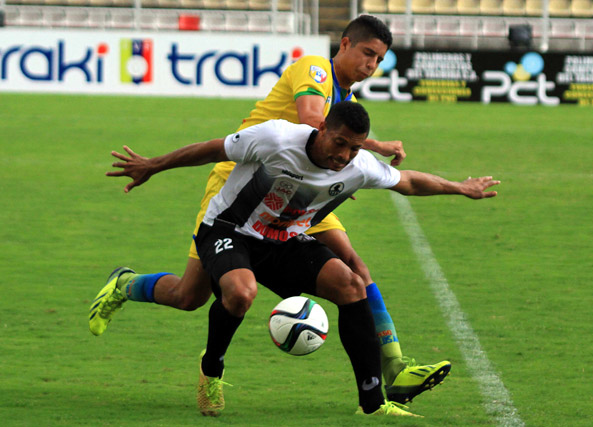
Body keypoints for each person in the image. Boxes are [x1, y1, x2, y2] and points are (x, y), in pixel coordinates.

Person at [90, 15, 448, 405]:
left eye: (378, 60)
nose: (370, 65)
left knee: (353, 270)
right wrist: (366, 149)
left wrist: (342, 169)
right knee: (189, 295)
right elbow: (314, 121)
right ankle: (126, 283)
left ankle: (393, 367)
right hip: (244, 186)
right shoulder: (315, 70)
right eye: (367, 53)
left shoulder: (350, 103)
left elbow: (334, 144)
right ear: (344, 45)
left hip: (305, 189)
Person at [103, 102, 499, 417]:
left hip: (285, 240)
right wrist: (153, 165)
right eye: (339, 143)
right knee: (239, 293)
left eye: (355, 148)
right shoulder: (276, 138)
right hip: (228, 229)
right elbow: (212, 149)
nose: (344, 155)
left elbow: (409, 181)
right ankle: (211, 373)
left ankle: (374, 403)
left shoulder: (357, 165)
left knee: (351, 284)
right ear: (322, 128)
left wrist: (461, 188)